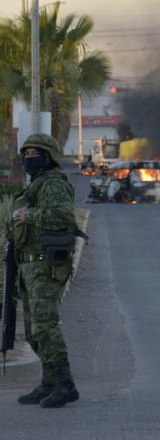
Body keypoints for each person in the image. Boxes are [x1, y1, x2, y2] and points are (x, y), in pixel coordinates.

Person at [7, 134, 80, 408]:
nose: (28, 157)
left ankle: (64, 384)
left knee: (45, 327)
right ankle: (49, 382)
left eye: (35, 153)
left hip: (46, 264)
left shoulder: (52, 184)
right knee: (33, 331)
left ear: (48, 156)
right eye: (25, 153)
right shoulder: (35, 184)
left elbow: (65, 215)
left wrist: (30, 216)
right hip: (29, 265)